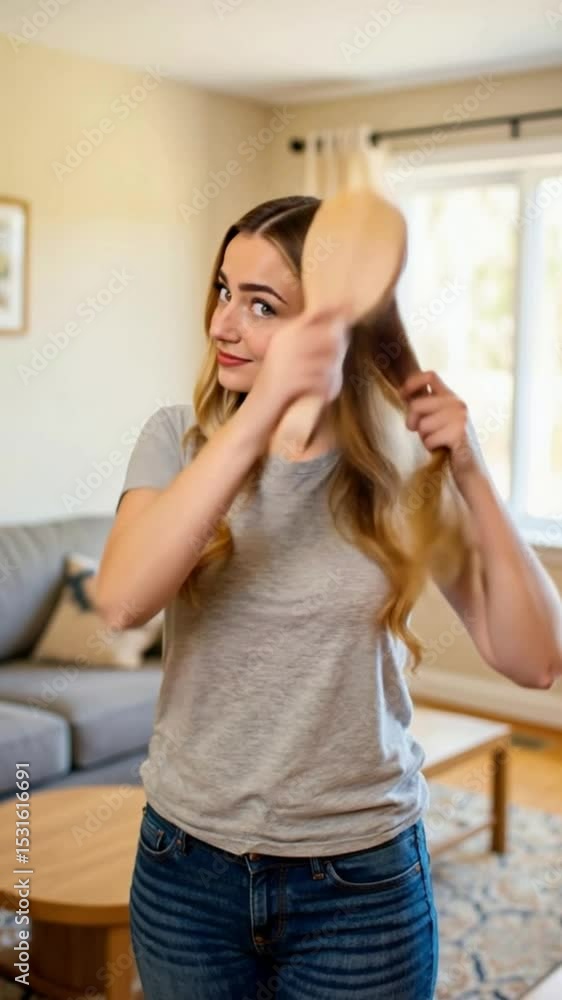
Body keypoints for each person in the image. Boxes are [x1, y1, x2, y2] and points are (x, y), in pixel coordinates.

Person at [96, 195, 561, 1000]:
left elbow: (537, 660)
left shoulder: (401, 472)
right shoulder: (178, 440)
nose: (223, 323)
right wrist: (263, 413)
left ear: (331, 330)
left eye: (261, 305)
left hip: (360, 886)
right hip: (186, 874)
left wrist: (472, 471)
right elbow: (121, 601)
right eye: (223, 290)